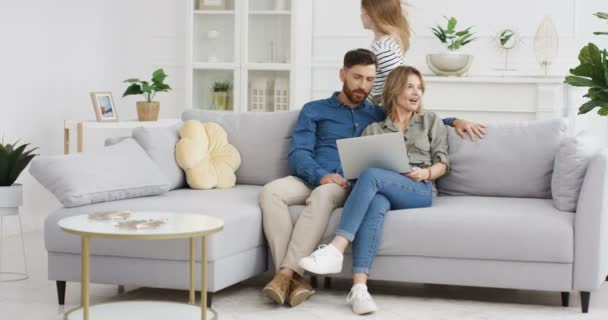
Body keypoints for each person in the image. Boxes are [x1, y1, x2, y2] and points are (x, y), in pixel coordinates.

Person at [258, 49, 481, 308]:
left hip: (347, 183)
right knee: (269, 192)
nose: (362, 85)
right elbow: (299, 152)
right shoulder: (316, 110)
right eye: (357, 77)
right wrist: (320, 175)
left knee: (332, 191)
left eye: (369, 80)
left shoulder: (375, 113)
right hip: (313, 175)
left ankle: (298, 269)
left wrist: (455, 120)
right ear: (343, 74)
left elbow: (416, 119)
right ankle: (293, 278)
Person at [299, 66, 447, 315]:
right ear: (395, 89)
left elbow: (443, 163)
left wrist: (425, 173)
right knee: (376, 202)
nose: (416, 92)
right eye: (410, 86)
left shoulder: (430, 121)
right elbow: (358, 170)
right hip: (385, 190)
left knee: (372, 176)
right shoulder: (373, 130)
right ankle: (359, 289)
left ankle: (337, 247)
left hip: (419, 189)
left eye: (420, 88)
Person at [361, 0, 486, 140]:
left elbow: (401, 90)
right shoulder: (385, 44)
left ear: (372, 14)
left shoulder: (384, 49)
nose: (361, 15)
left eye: (363, 11)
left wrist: (451, 121)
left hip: (382, 119)